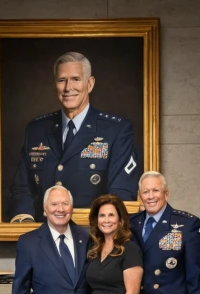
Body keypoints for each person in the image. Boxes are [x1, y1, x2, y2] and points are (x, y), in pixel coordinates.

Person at [8, 51, 139, 223]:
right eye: (62, 80)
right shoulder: (37, 129)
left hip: (92, 236)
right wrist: (25, 223)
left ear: (90, 84)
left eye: (76, 79)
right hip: (43, 237)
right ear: (55, 84)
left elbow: (121, 192)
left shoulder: (116, 130)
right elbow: (22, 189)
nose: (68, 87)